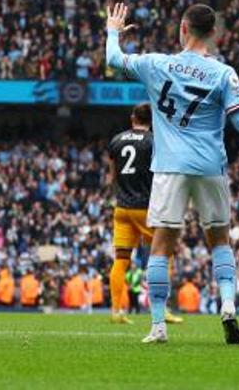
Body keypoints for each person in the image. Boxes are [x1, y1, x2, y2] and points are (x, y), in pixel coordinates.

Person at [107, 1, 239, 345]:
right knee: (219, 240)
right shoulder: (224, 73)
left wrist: (113, 32)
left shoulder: (156, 63)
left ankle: (158, 326)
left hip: (170, 168)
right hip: (209, 166)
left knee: (161, 245)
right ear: (214, 33)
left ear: (183, 29)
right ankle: (229, 306)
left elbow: (114, 60)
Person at [107, 103, 169, 326]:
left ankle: (116, 311)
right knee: (162, 254)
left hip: (122, 208)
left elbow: (111, 176)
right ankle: (162, 309)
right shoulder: (154, 141)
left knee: (121, 259)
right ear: (151, 120)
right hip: (145, 207)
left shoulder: (116, 140)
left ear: (132, 118)